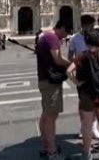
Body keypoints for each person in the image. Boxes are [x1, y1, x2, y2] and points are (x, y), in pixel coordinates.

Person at [66, 28, 99, 160]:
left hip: (87, 93)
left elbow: (69, 72)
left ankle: (87, 154)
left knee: (87, 124)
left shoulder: (82, 55)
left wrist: (77, 83)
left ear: (87, 42)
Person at [36, 20, 71, 160]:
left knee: (46, 114)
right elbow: (58, 59)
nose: (65, 36)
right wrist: (72, 63)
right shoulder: (52, 37)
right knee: (51, 117)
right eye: (66, 32)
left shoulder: (45, 36)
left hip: (44, 79)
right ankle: (52, 152)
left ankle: (45, 146)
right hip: (50, 82)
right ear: (61, 28)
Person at [68, 15, 99, 141]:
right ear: (84, 25)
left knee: (96, 101)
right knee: (83, 102)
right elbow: (70, 56)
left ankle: (93, 127)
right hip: (82, 74)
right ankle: (84, 126)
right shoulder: (75, 38)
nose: (93, 27)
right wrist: (77, 64)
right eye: (91, 25)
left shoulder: (95, 36)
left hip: (96, 73)